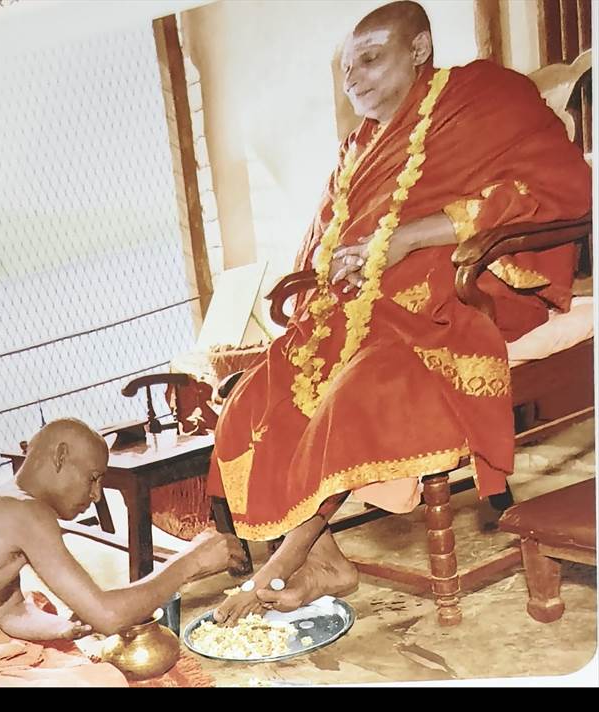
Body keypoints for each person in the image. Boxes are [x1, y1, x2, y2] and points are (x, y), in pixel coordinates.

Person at [205, 1, 591, 625]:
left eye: (370, 58)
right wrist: (337, 270)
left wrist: (412, 237)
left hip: (462, 295)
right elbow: (325, 240)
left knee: (359, 391)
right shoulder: (356, 147)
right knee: (253, 399)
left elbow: (552, 190)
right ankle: (327, 563)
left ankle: (274, 571)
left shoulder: (484, 96)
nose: (354, 78)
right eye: (347, 69)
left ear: (418, 50)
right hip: (358, 311)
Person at [0, 418, 246, 641]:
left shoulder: (7, 501)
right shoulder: (27, 513)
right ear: (60, 456)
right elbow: (109, 617)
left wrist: (61, 628)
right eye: (93, 478)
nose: (96, 495)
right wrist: (193, 560)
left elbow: (7, 609)